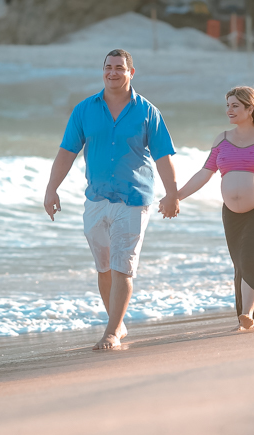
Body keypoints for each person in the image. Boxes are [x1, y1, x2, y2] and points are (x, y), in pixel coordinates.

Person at [44, 49, 180, 350]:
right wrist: (51, 188)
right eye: (108, 67)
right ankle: (118, 323)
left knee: (122, 265)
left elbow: (163, 157)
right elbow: (67, 152)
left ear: (131, 72)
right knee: (104, 267)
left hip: (134, 199)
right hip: (96, 199)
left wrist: (172, 194)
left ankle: (111, 331)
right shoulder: (84, 110)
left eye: (120, 68)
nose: (113, 73)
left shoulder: (147, 112)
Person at [175, 86, 254, 330]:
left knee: (251, 258)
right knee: (240, 264)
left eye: (235, 105)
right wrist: (177, 196)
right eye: (227, 105)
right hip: (231, 213)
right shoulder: (222, 138)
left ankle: (247, 313)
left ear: (249, 108)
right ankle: (246, 318)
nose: (229, 110)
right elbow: (204, 174)